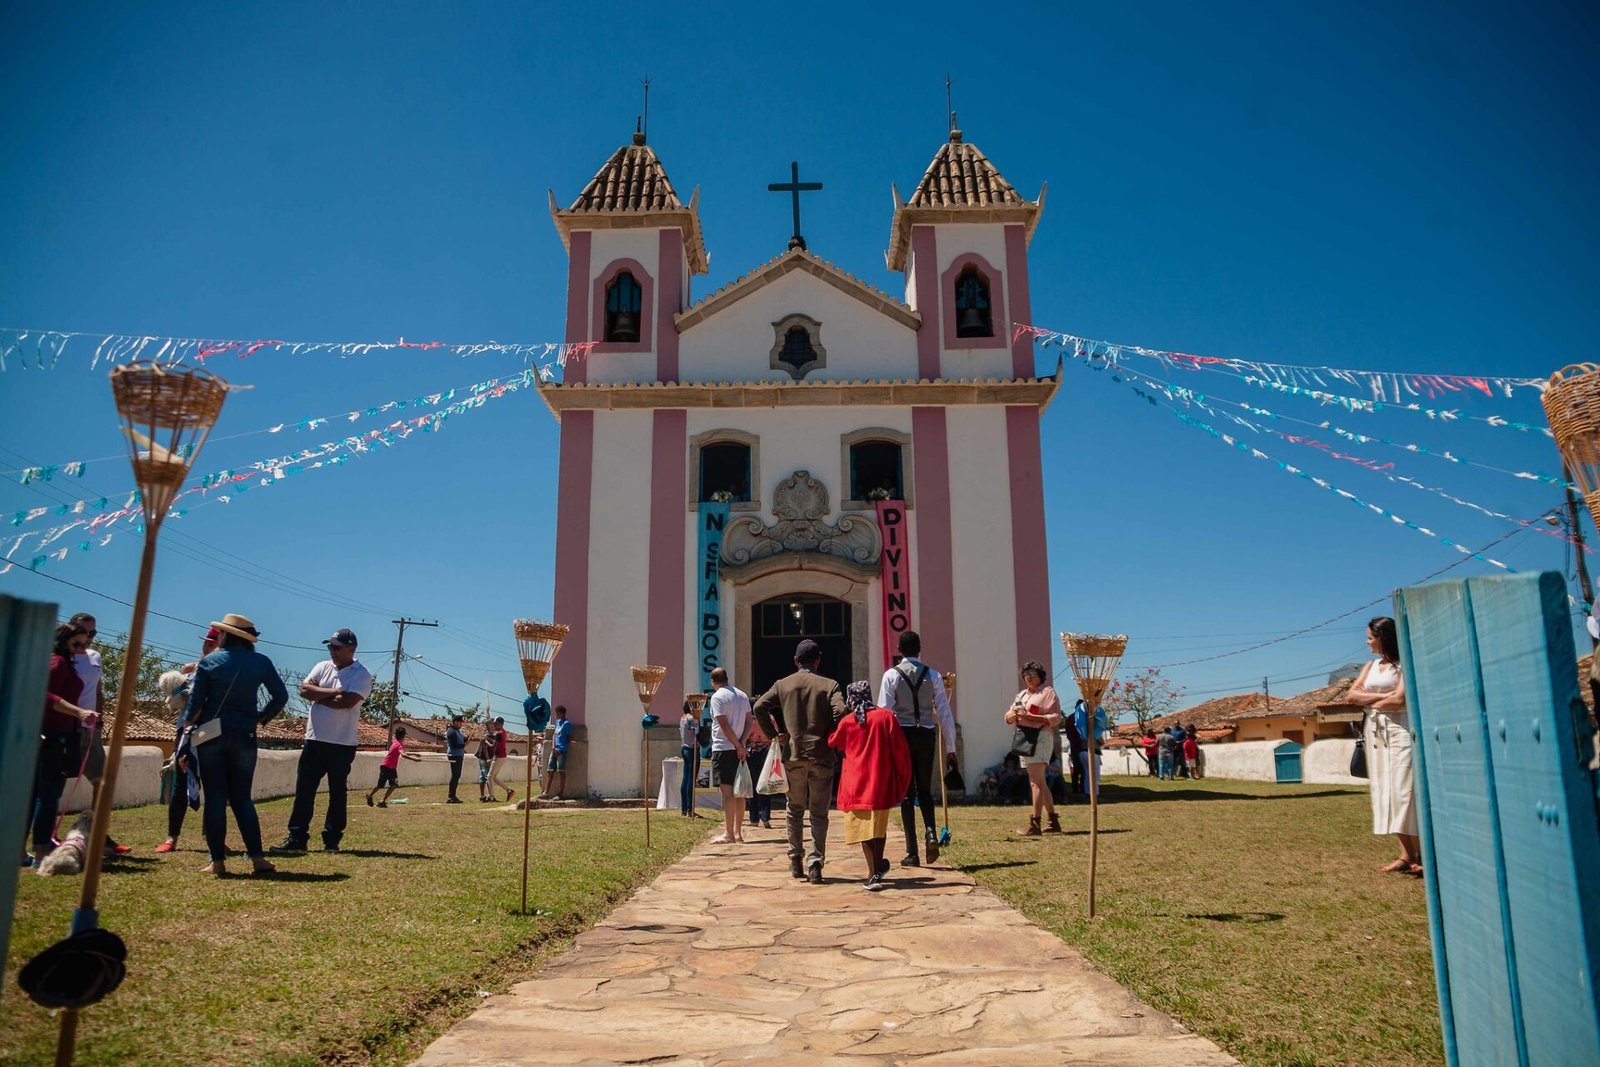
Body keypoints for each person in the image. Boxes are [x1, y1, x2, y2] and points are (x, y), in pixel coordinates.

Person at [180, 613, 289, 877]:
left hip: (211, 735)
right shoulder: (261, 662)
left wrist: (184, 738)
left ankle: (217, 862)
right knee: (242, 798)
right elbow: (281, 696)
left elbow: (194, 707)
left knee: (216, 798)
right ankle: (258, 858)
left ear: (226, 635)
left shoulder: (208, 662)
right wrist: (261, 717)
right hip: (245, 734)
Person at [752, 638, 847, 884]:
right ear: (818, 660)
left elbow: (760, 707)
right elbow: (842, 711)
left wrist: (774, 736)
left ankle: (795, 859)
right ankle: (815, 863)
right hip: (821, 755)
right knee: (819, 812)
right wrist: (832, 733)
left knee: (794, 809)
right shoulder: (830, 685)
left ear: (796, 661)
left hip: (793, 754)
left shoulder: (783, 684)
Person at [273, 628, 372, 854]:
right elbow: (304, 690)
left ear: (351, 649)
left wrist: (320, 696)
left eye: (336, 647)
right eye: (330, 647)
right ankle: (297, 836)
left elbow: (347, 702)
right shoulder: (321, 666)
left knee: (338, 793)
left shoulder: (361, 674)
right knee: (304, 791)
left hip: (342, 744)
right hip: (314, 740)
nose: (332, 651)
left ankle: (332, 839)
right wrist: (332, 692)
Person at [1346, 616, 1420, 874]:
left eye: (1370, 637)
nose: (1367, 642)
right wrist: (1382, 698)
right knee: (1386, 790)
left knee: (1404, 790)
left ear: (1383, 637)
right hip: (1377, 731)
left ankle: (1421, 854)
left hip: (1401, 729)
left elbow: (1400, 700)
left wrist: (1371, 700)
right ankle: (1406, 854)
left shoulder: (1405, 666)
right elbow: (1351, 695)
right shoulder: (1370, 666)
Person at [878, 631, 957, 867]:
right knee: (924, 789)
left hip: (903, 734)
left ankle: (912, 851)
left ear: (899, 650)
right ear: (919, 649)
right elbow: (944, 712)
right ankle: (931, 832)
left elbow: (884, 712)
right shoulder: (932, 675)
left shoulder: (891, 675)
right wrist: (951, 748)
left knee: (906, 793)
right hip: (926, 734)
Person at [24, 624, 98, 867]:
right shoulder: (57, 663)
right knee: (48, 795)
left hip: (59, 733)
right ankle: (43, 852)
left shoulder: (65, 663)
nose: (81, 648)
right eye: (76, 643)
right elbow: (45, 695)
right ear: (62, 642)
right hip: (52, 735)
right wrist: (79, 712)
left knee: (40, 794)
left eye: (84, 643)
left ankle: (23, 850)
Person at [828, 680, 912, 891]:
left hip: (855, 784)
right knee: (878, 829)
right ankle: (877, 867)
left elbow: (833, 742)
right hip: (880, 782)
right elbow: (901, 753)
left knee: (864, 832)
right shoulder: (886, 718)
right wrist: (903, 780)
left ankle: (873, 873)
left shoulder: (848, 722)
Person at [68, 612, 130, 857]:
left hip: (90, 730)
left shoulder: (94, 657)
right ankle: (45, 839)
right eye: (85, 631)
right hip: (65, 727)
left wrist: (101, 719)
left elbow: (98, 691)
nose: (89, 637)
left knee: (102, 783)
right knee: (50, 785)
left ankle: (97, 836)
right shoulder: (60, 656)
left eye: (93, 633)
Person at [155, 627, 220, 853]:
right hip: (186, 730)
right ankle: (172, 837)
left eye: (211, 642)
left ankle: (212, 836)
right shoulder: (190, 670)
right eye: (206, 642)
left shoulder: (221, 671)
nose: (206, 645)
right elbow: (176, 704)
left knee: (213, 785)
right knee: (180, 783)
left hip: (210, 730)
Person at [1007, 661, 1064, 836]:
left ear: (1040, 676)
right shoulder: (1021, 695)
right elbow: (1008, 716)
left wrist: (1030, 716)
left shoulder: (1047, 693)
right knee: (1040, 781)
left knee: (1035, 781)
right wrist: (1012, 715)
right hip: (1025, 738)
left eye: (1032, 673)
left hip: (1040, 737)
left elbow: (1056, 717)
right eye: (1026, 674)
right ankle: (1053, 821)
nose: (1029, 677)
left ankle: (1035, 823)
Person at [707, 667, 751, 845]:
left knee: (727, 793)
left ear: (712, 681)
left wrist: (737, 744)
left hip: (723, 748)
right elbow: (750, 721)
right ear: (727, 678)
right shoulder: (742, 695)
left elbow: (723, 725)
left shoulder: (717, 697)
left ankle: (728, 833)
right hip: (738, 748)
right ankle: (738, 833)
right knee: (739, 792)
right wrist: (741, 742)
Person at [367, 726, 422, 807]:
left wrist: (413, 754)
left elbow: (402, 752)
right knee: (380, 785)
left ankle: (382, 801)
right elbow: (403, 754)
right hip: (386, 766)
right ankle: (369, 796)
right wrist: (414, 759)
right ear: (403, 736)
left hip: (392, 768)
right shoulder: (398, 744)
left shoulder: (396, 742)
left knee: (394, 785)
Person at [1073, 699, 1109, 798]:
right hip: (1093, 751)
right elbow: (1100, 740)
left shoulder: (1080, 722)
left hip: (1082, 751)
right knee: (1095, 775)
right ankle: (1094, 794)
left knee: (1087, 774)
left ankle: (1087, 792)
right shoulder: (1092, 724)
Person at [744, 717, 773, 830]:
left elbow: (744, 737)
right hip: (765, 753)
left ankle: (754, 819)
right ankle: (765, 817)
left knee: (753, 786)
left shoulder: (747, 721)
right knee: (765, 785)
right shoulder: (768, 719)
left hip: (751, 753)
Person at [541, 706, 572, 799]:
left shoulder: (567, 724)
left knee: (561, 771)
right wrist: (554, 747)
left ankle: (561, 793)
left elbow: (569, 738)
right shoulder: (558, 723)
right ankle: (546, 792)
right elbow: (554, 735)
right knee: (550, 770)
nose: (556, 715)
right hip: (554, 749)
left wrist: (561, 748)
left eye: (558, 713)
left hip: (561, 751)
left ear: (562, 713)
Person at [678, 698, 702, 817]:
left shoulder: (682, 718)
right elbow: (696, 733)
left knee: (686, 777)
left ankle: (684, 808)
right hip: (692, 749)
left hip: (684, 748)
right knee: (691, 779)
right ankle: (689, 808)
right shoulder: (692, 719)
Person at [486, 716, 513, 802]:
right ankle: (509, 790)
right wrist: (488, 739)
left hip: (499, 756)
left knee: (489, 777)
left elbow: (493, 747)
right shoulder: (503, 732)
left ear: (499, 724)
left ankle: (492, 797)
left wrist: (485, 741)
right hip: (502, 756)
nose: (494, 725)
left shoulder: (499, 734)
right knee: (493, 777)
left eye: (495, 723)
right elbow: (497, 742)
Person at [444, 713, 468, 802]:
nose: (461, 724)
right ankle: (451, 796)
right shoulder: (451, 731)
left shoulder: (458, 731)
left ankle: (452, 796)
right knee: (455, 775)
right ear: (455, 722)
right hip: (454, 755)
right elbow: (455, 745)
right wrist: (464, 745)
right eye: (459, 722)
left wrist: (467, 738)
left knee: (457, 775)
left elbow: (463, 739)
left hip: (458, 755)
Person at [474, 723, 494, 801]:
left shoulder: (489, 736)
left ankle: (483, 796)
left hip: (483, 758)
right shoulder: (486, 736)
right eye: (491, 725)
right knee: (488, 777)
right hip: (485, 759)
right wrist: (487, 758)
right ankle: (490, 796)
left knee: (483, 777)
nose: (493, 726)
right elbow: (485, 748)